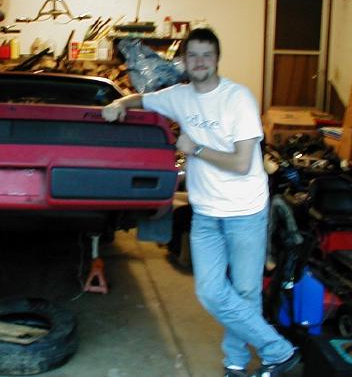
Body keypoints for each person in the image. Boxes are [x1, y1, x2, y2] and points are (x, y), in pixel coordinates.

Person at [101, 28, 300, 377]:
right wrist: (119, 104)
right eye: (193, 55)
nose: (200, 62)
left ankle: (236, 364)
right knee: (211, 291)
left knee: (244, 293)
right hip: (206, 215)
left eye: (207, 55)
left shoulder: (238, 98)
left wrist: (197, 150)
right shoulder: (178, 95)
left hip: (245, 212)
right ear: (184, 60)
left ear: (217, 59)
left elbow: (241, 163)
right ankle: (280, 352)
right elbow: (143, 100)